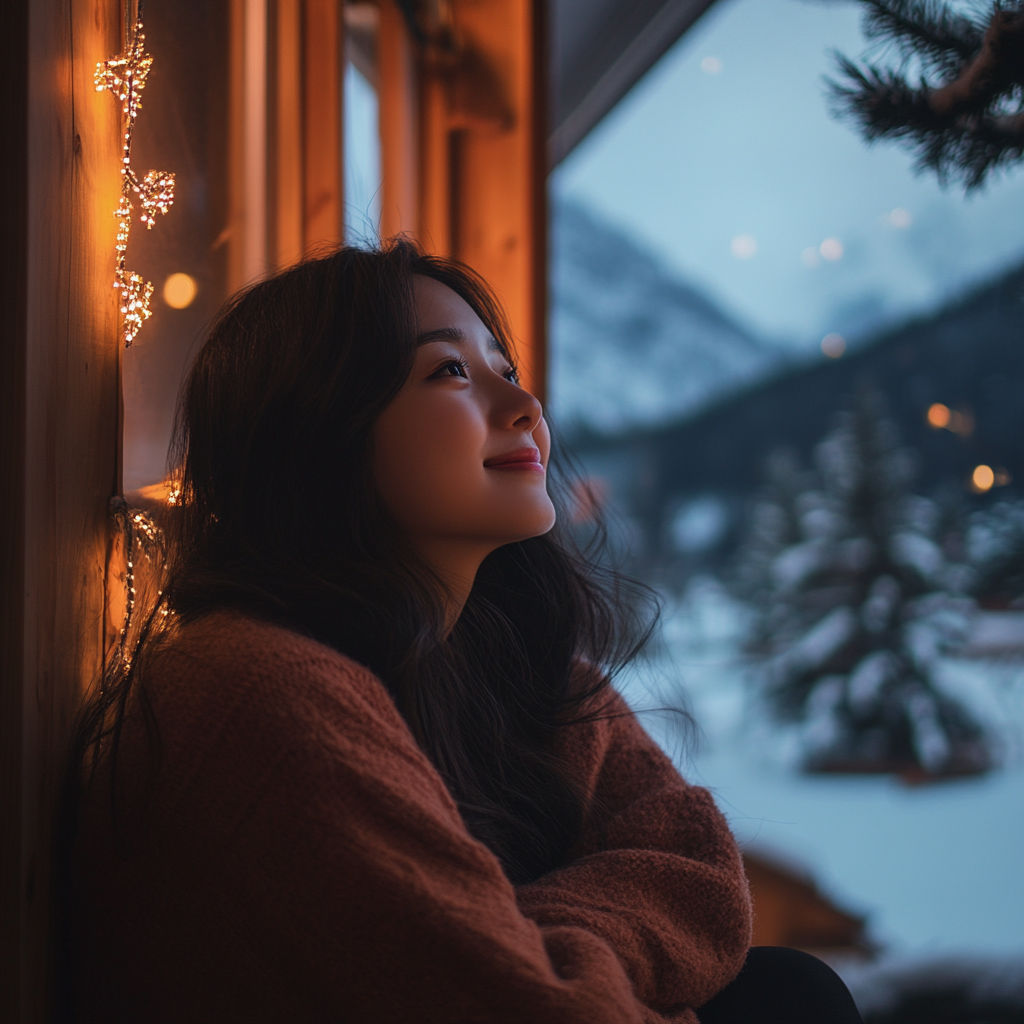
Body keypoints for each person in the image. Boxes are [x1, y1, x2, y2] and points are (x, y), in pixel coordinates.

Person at [64, 241, 862, 1023]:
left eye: (505, 370)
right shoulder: (256, 686)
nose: (526, 407)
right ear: (316, 432)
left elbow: (695, 866)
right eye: (449, 370)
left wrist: (538, 943)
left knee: (790, 989)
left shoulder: (520, 671)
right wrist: (574, 967)